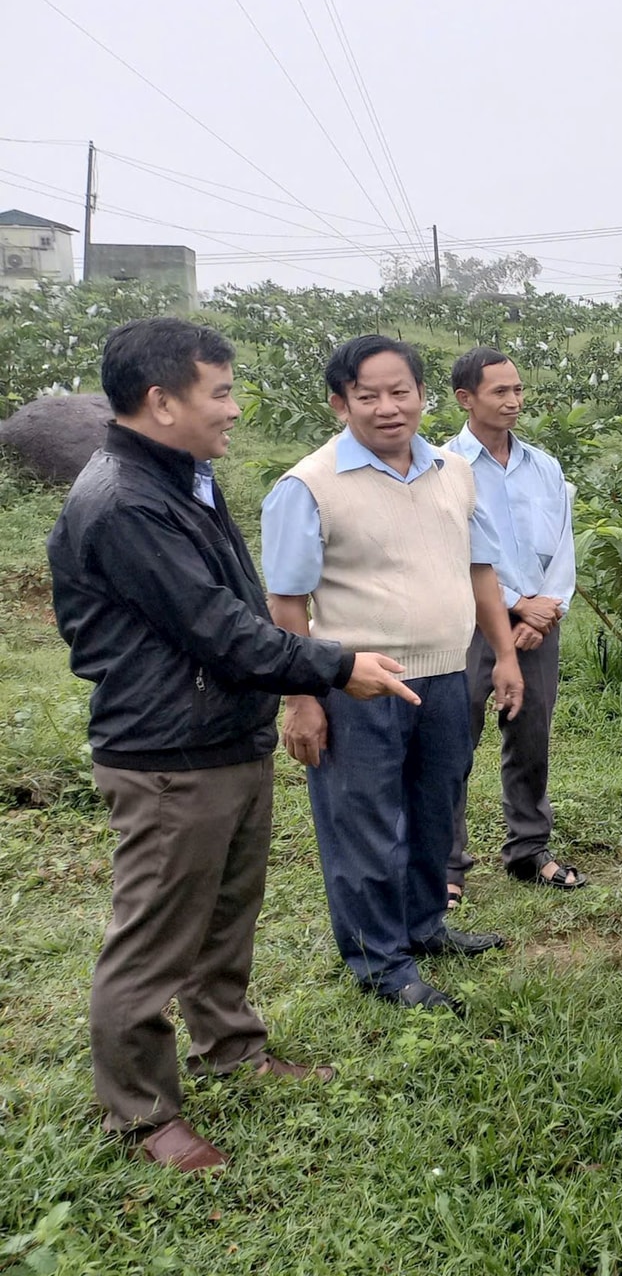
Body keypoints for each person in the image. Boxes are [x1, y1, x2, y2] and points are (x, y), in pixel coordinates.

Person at [48, 318, 422, 1171]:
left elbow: (241, 602)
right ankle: (141, 1115)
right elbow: (219, 630)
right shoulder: (126, 502)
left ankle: (232, 1048)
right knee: (152, 939)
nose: (233, 408)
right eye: (219, 392)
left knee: (225, 916)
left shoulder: (183, 475)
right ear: (161, 400)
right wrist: (334, 668)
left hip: (222, 734)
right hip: (167, 752)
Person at [262, 335, 525, 1013]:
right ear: (338, 403)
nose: (388, 408)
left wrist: (503, 654)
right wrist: (303, 696)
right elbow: (287, 602)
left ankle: (423, 927)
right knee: (365, 826)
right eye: (368, 395)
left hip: (445, 674)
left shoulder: (452, 470)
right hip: (356, 683)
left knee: (437, 809)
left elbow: (481, 571)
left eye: (400, 391)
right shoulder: (309, 485)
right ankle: (379, 962)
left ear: (422, 395)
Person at [444, 346, 585, 906]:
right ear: (465, 398)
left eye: (518, 389)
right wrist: (512, 605)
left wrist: (547, 607)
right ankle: (447, 864)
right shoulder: (444, 467)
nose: (513, 401)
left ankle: (528, 849)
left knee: (530, 738)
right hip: (468, 625)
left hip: (538, 629)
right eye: (500, 391)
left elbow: (563, 545)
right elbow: (453, 550)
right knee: (454, 740)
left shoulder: (544, 466)